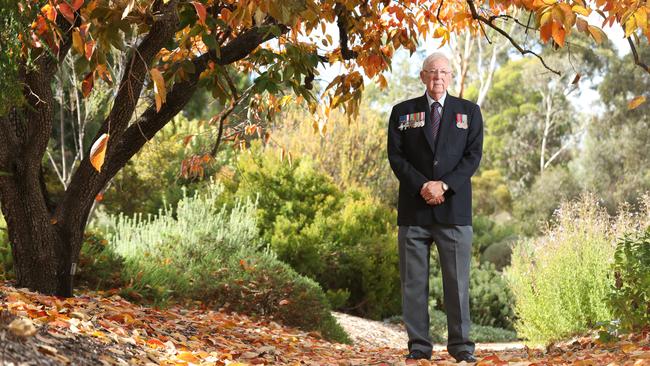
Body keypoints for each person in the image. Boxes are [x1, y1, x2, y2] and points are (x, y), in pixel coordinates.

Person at [387, 52, 483, 363]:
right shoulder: (403, 112)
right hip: (414, 210)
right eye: (432, 72)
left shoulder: (469, 112)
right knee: (413, 283)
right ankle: (419, 346)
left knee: (456, 284)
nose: (437, 77)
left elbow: (472, 156)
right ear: (422, 76)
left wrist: (443, 185)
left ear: (451, 76)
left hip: (453, 212)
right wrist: (422, 185)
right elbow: (396, 157)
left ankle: (462, 347)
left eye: (443, 72)